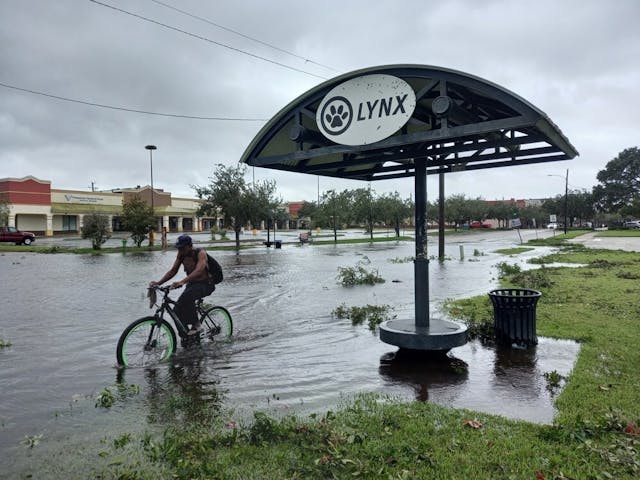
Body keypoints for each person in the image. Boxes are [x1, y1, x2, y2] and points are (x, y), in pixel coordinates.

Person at [149, 234, 215, 335]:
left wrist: (182, 281)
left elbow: (199, 271)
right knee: (176, 311)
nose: (180, 251)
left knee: (187, 297)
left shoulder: (200, 253)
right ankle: (186, 336)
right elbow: (173, 271)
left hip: (206, 284)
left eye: (183, 248)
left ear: (190, 246)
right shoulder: (181, 254)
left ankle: (197, 325)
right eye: (179, 248)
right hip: (192, 284)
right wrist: (158, 283)